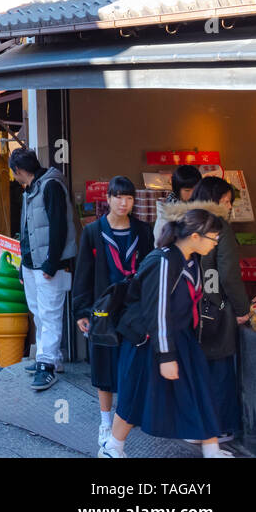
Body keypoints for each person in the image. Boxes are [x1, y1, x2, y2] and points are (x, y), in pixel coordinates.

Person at [102, 203, 231, 458]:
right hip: (149, 340)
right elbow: (156, 311)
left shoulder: (191, 260)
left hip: (178, 336)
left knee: (199, 388)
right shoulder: (163, 260)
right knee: (136, 394)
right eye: (213, 237)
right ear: (195, 237)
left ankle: (212, 448)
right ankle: (112, 446)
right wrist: (166, 356)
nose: (216, 242)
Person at [72, 176, 154, 448]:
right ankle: (105, 422)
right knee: (104, 365)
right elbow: (82, 272)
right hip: (104, 308)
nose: (123, 202)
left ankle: (125, 418)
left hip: (134, 309)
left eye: (129, 197)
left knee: (131, 364)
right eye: (118, 197)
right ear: (107, 199)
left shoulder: (144, 231)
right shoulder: (94, 231)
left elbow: (151, 270)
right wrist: (81, 311)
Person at [9, 147, 79, 391]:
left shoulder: (50, 186)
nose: (15, 177)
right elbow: (28, 231)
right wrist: (22, 266)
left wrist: (51, 261)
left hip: (49, 264)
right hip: (31, 263)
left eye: (14, 173)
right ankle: (48, 358)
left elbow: (60, 226)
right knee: (39, 312)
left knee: (49, 314)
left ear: (18, 170)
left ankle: (47, 365)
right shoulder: (32, 189)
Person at [189, 176, 248, 443]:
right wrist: (240, 308)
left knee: (193, 366)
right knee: (220, 367)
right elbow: (227, 274)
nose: (228, 208)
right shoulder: (219, 227)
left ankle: (192, 426)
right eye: (224, 202)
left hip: (187, 305)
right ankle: (218, 427)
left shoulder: (186, 222)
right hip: (215, 306)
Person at [154, 164, 202, 236]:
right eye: (187, 190)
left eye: (196, 189)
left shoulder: (203, 207)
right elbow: (159, 241)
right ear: (177, 190)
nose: (193, 194)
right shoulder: (167, 212)